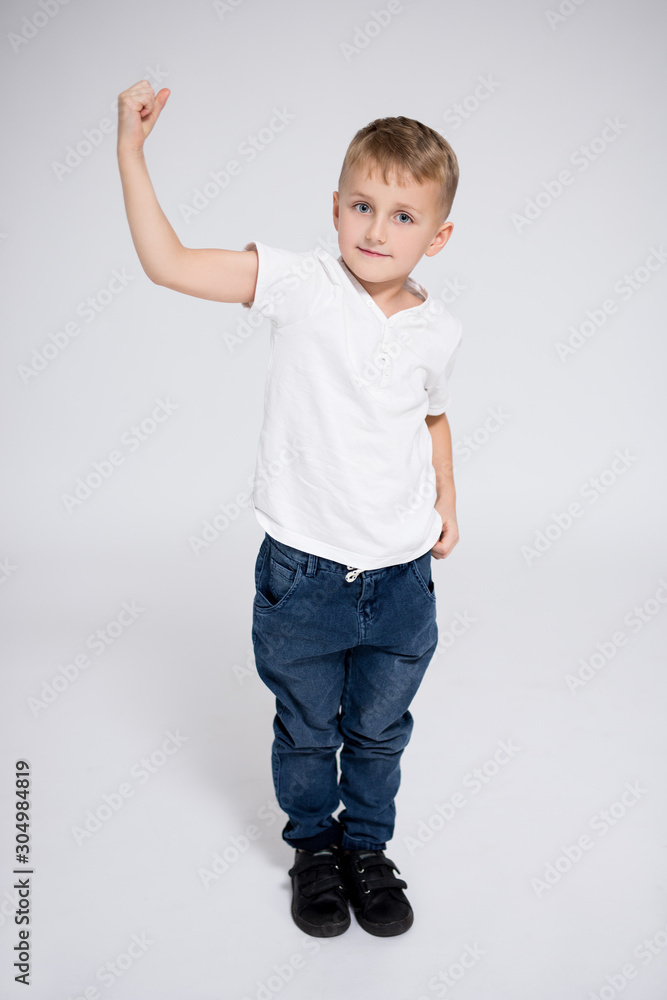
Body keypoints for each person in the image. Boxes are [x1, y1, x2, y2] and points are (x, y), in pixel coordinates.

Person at [117, 80, 463, 939]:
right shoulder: (301, 283)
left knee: (379, 733)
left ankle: (367, 848)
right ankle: (314, 847)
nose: (377, 230)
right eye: (361, 205)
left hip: (401, 580)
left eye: (403, 216)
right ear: (335, 207)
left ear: (439, 235)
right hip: (303, 574)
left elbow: (431, 414)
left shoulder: (438, 328)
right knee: (309, 731)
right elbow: (168, 264)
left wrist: (447, 498)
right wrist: (132, 151)